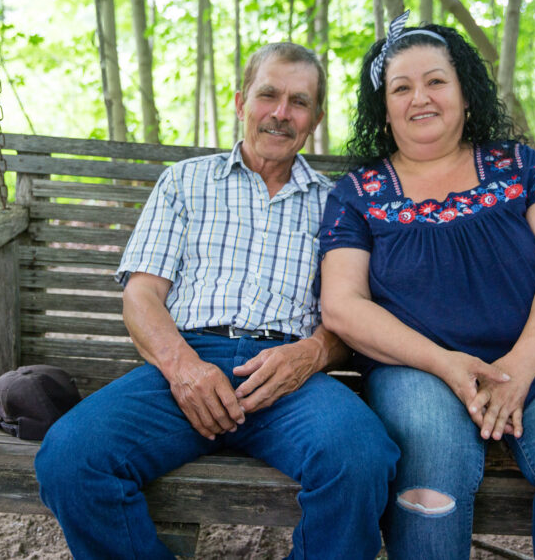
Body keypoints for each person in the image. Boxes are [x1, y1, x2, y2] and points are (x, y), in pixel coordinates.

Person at [35, 42, 399, 560]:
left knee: (362, 456)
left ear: (315, 120)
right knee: (71, 457)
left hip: (287, 375)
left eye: (299, 102)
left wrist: (311, 354)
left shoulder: (337, 203)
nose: (281, 113)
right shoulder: (185, 181)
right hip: (184, 364)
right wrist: (182, 368)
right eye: (268, 95)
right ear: (240, 102)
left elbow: (352, 315)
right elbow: (142, 295)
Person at [318, 13, 535, 560]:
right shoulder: (356, 194)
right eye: (401, 87)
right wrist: (446, 363)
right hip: (417, 369)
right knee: (429, 484)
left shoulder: (521, 168)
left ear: (465, 94)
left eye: (436, 81)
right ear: (384, 109)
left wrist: (516, 370)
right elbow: (342, 306)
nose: (421, 97)